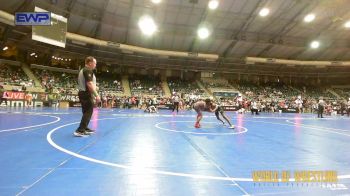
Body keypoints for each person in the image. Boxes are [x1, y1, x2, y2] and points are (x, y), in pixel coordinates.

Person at [74, 56, 101, 137]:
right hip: (86, 94)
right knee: (89, 111)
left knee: (86, 111)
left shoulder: (84, 70)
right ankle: (80, 130)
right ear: (90, 63)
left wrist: (95, 87)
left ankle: (84, 128)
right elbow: (89, 84)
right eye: (95, 63)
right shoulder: (87, 70)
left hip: (84, 93)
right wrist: (97, 95)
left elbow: (89, 83)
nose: (95, 64)